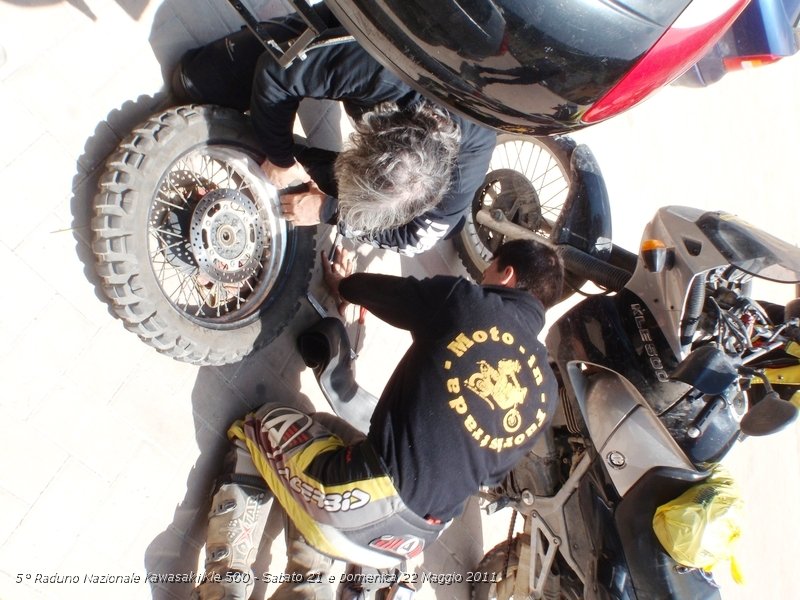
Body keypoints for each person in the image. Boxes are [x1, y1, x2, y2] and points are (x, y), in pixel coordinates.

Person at [190, 238, 564, 599]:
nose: (482, 277)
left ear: (507, 275)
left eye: (489, 269)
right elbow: (491, 474)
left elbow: (394, 295)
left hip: (357, 501)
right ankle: (308, 587)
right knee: (331, 432)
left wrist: (344, 284)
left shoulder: (469, 302)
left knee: (262, 424)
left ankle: (224, 586)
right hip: (409, 542)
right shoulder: (545, 394)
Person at [174, 5, 496, 256]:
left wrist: (330, 211)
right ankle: (316, 33)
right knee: (192, 82)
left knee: (274, 163)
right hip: (385, 22)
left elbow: (412, 238)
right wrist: (281, 158)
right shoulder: (380, 69)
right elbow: (274, 75)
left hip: (420, 83)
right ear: (366, 135)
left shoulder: (465, 172)